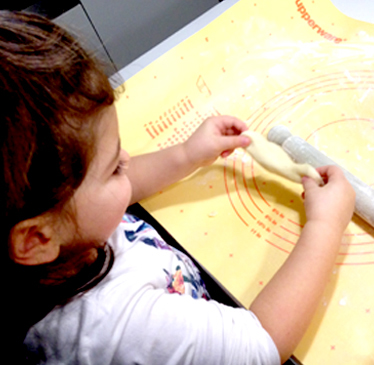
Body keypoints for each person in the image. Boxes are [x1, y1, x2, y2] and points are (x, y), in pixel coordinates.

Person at [0, 11, 355, 365]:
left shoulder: (50, 232)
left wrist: (185, 155)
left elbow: (119, 185)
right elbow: (262, 346)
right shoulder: (113, 327)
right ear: (37, 240)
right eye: (113, 168)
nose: (127, 160)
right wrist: (325, 226)